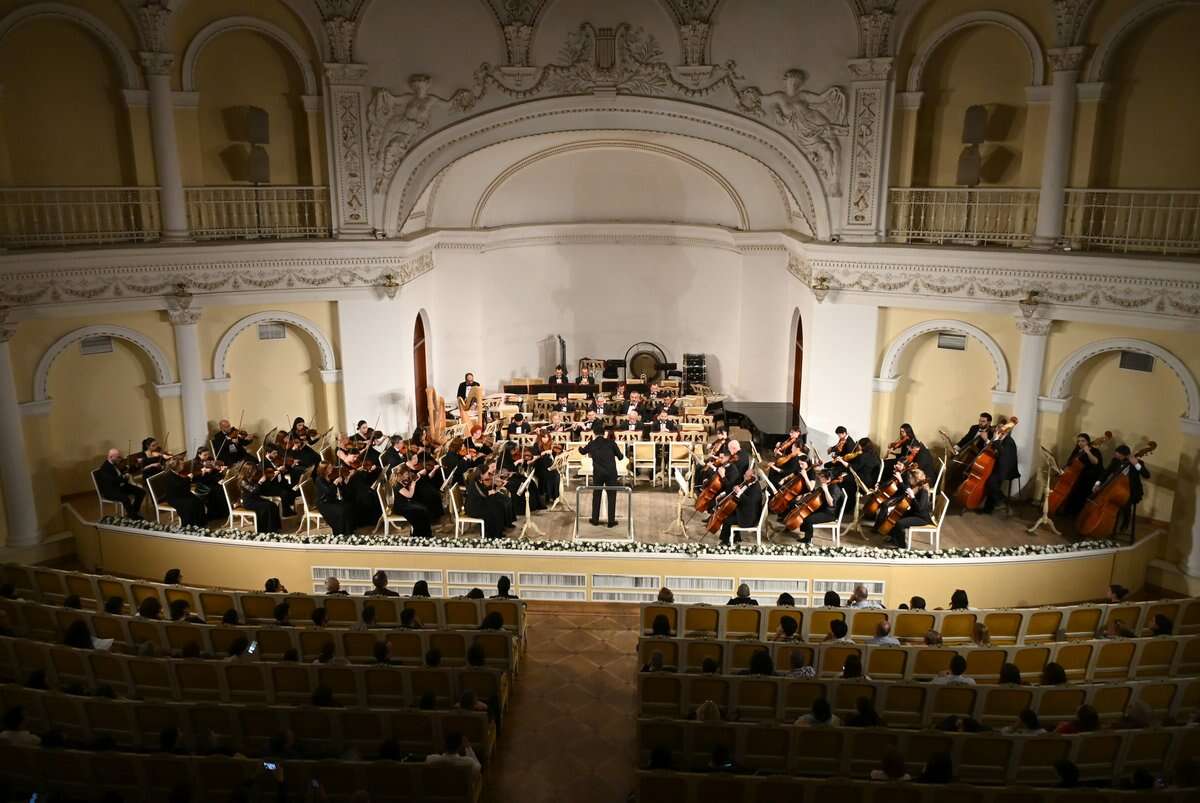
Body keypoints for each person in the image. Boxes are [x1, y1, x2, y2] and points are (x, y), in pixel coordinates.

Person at [1090, 444, 1152, 535]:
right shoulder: (1115, 461)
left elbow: (1147, 475)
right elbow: (1106, 472)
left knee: (1125, 503)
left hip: (1132, 490)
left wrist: (1136, 464)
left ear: (1124, 455)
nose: (1115, 456)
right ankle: (1101, 521)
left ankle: (1125, 522)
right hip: (1115, 488)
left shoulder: (1138, 462)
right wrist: (1097, 483)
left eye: (1117, 454)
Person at [877, 469, 933, 548]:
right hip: (914, 513)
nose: (909, 480)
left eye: (910, 478)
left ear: (915, 479)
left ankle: (902, 545)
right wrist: (901, 482)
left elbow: (920, 508)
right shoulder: (917, 486)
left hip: (921, 518)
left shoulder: (924, 491)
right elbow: (906, 490)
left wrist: (912, 497)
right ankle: (894, 538)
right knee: (894, 517)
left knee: (900, 523)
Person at [581, 427, 624, 527]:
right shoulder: (611, 443)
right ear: (604, 433)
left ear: (594, 433)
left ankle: (595, 520)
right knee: (612, 496)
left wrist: (579, 448)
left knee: (597, 496)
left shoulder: (592, 443)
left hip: (598, 474)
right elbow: (620, 457)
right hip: (611, 473)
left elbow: (582, 451)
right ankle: (611, 522)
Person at [1057, 433, 1106, 516]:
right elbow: (1070, 462)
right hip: (1076, 475)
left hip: (1087, 478)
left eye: (1083, 441)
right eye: (1078, 441)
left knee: (1078, 490)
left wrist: (1088, 452)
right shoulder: (1077, 450)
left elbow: (1096, 462)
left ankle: (1074, 514)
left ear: (1088, 442)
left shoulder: (1094, 451)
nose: (1080, 443)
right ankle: (1065, 510)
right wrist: (1064, 470)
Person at [979, 417, 1019, 515]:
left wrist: (995, 440)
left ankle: (1001, 500)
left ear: (1007, 430)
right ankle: (988, 509)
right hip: (999, 465)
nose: (999, 430)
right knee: (989, 478)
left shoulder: (1009, 441)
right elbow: (995, 452)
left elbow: (1002, 454)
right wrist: (993, 441)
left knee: (991, 481)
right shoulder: (1000, 439)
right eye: (998, 427)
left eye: (1001, 428)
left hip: (1007, 468)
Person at [795, 470, 844, 545]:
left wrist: (826, 490)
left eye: (821, 477)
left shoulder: (834, 488)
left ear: (828, 478)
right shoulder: (827, 484)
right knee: (805, 514)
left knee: (808, 519)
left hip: (830, 513)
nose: (819, 478)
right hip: (823, 509)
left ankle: (808, 540)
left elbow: (831, 504)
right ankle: (806, 535)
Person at [95, 449, 145, 519]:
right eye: (118, 457)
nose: (120, 459)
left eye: (120, 457)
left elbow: (126, 470)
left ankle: (133, 511)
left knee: (141, 492)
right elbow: (114, 481)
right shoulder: (105, 468)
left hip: (120, 486)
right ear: (111, 457)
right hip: (111, 491)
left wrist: (136, 465)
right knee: (125, 499)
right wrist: (125, 477)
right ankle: (133, 516)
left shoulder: (115, 463)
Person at [160, 457, 208, 526]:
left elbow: (182, 485)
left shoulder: (175, 472)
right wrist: (188, 478)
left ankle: (200, 524)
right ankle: (190, 525)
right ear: (177, 467)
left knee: (198, 501)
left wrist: (189, 478)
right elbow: (179, 485)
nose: (184, 465)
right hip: (175, 498)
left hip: (182, 494)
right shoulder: (169, 476)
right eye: (182, 464)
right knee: (190, 505)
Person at [235, 462, 283, 533]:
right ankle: (269, 530)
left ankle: (274, 528)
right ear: (248, 471)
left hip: (256, 499)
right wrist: (260, 482)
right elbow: (253, 491)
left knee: (273, 504)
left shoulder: (251, 477)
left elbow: (258, 491)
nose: (255, 471)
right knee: (268, 506)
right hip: (249, 502)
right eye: (253, 470)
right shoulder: (242, 481)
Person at [465, 466, 510, 539]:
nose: (489, 475)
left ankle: (498, 531)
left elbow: (484, 491)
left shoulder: (480, 480)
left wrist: (494, 486)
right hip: (473, 508)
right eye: (487, 473)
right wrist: (490, 492)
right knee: (494, 510)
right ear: (481, 474)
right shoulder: (475, 482)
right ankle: (492, 534)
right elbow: (482, 494)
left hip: (479, 503)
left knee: (498, 505)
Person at [389, 468, 433, 538]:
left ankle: (425, 533)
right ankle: (419, 534)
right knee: (420, 511)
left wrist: (413, 481)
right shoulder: (397, 485)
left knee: (424, 508)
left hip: (405, 503)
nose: (408, 475)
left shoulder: (400, 482)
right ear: (400, 475)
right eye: (406, 474)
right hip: (401, 507)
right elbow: (410, 495)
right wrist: (413, 485)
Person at [315, 462, 355, 535]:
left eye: (331, 467)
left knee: (348, 507)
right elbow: (328, 492)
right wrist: (335, 482)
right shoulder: (319, 480)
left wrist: (342, 482)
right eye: (330, 468)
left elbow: (342, 489)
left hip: (332, 500)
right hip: (324, 503)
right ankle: (340, 533)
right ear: (324, 470)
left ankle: (348, 532)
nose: (332, 469)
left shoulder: (332, 476)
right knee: (341, 511)